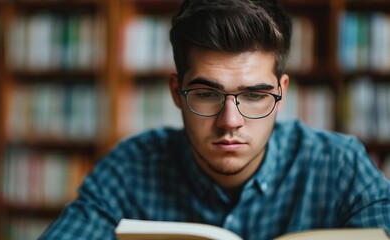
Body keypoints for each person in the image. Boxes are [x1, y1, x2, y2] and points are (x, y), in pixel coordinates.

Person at [40, 0, 390, 239]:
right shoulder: (128, 169)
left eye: (254, 95)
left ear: (281, 94)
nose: (230, 121)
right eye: (207, 94)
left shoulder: (340, 167)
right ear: (177, 93)